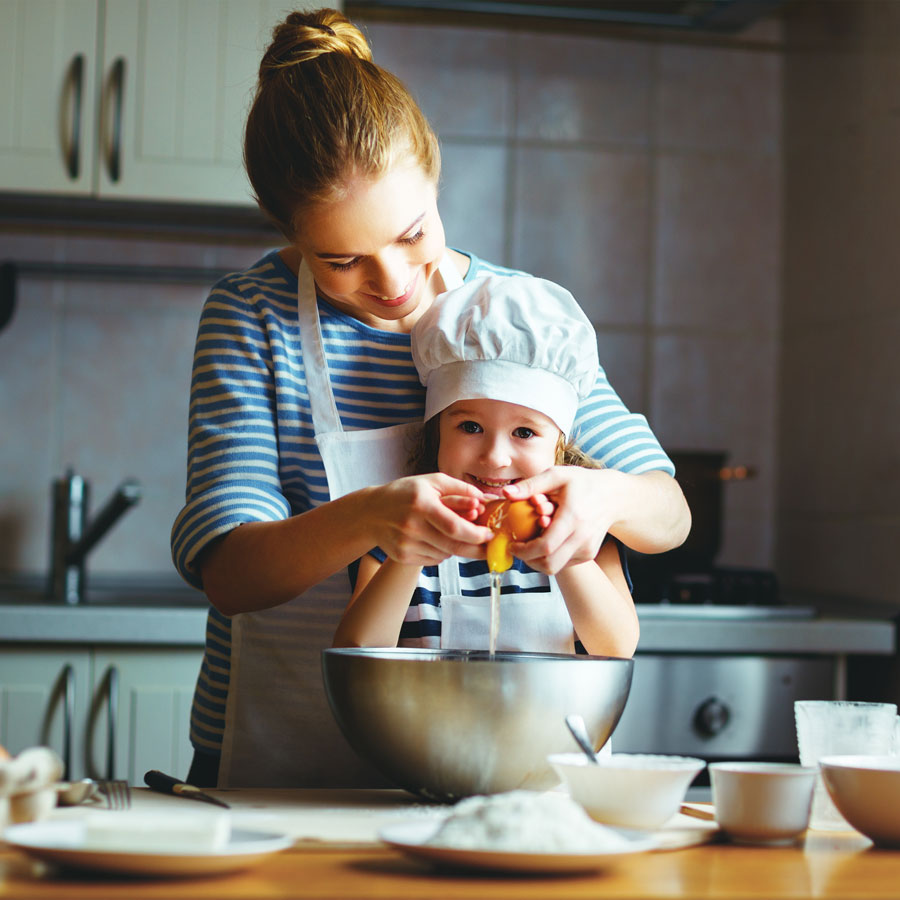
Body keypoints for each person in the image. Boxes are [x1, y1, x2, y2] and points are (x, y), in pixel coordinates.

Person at [170, 7, 690, 789]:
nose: (391, 282)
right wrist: (375, 521)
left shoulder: (515, 318)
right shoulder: (252, 317)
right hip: (288, 764)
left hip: (497, 765)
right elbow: (231, 575)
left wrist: (603, 497)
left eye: (412, 233)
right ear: (291, 234)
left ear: (434, 174)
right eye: (341, 260)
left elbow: (669, 515)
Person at [332, 274, 640, 657]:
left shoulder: (587, 531)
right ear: (436, 432)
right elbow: (359, 650)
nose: (495, 457)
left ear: (559, 447)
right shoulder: (399, 528)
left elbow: (616, 647)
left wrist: (563, 550)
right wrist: (411, 555)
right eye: (470, 427)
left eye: (524, 432)